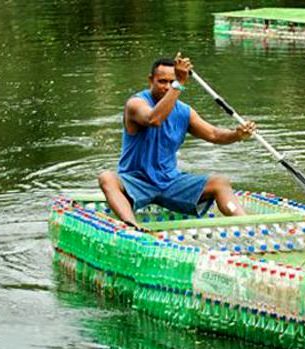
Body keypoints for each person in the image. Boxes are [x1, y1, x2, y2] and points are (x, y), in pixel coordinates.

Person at [98, 53, 256, 228]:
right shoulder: (135, 104)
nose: (167, 87)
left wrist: (237, 134)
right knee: (107, 177)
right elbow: (153, 119)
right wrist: (178, 84)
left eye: (171, 81)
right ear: (151, 80)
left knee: (220, 182)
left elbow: (213, 134)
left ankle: (246, 224)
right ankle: (132, 227)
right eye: (162, 81)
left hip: (170, 182)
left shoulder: (184, 111)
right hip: (136, 181)